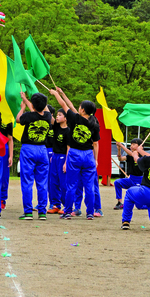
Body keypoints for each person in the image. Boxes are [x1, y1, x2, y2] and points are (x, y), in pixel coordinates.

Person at [49, 88, 101, 220]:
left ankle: (67, 212)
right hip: (89, 155)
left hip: (75, 154)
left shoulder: (74, 118)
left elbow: (64, 106)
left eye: (80, 107)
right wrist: (96, 159)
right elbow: (95, 144)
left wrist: (55, 94)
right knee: (89, 186)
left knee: (71, 185)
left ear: (82, 110)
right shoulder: (94, 123)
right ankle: (90, 213)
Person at [16, 92, 53, 220]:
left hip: (28, 149)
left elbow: (18, 119)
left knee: (27, 181)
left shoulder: (29, 116)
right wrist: (27, 100)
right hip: (42, 149)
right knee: (42, 182)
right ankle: (42, 212)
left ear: (33, 104)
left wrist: (23, 106)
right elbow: (43, 112)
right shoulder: (48, 116)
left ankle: (28, 212)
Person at [113, 139, 148, 210]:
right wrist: (119, 150)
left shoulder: (142, 155)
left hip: (139, 181)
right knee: (117, 182)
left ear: (140, 146)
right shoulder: (130, 155)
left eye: (134, 144)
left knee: (139, 206)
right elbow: (121, 159)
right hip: (131, 179)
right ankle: (119, 202)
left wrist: (121, 145)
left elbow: (132, 154)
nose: (131, 146)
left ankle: (149, 204)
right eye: (131, 144)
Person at [46, 109, 70, 214]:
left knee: (63, 183)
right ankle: (55, 205)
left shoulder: (69, 131)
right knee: (53, 182)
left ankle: (67, 206)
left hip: (63, 157)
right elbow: (48, 114)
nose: (57, 117)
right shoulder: (56, 126)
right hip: (54, 157)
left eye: (60, 115)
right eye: (56, 115)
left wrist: (66, 162)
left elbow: (69, 147)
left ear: (65, 118)